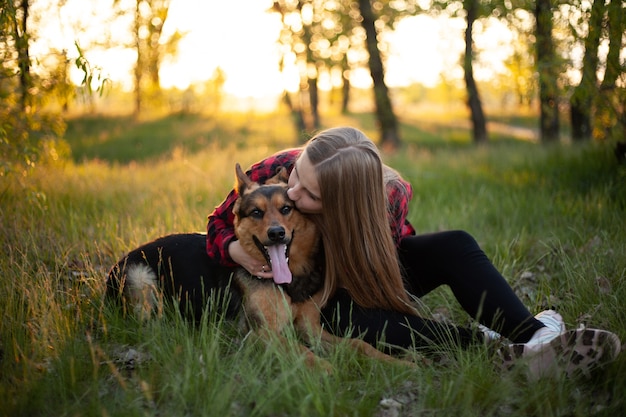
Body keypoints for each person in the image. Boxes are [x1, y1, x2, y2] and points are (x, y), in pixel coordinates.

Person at [206, 126, 620, 377]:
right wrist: (235, 251)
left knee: (453, 245)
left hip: (363, 271)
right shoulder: (277, 169)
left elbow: (378, 274)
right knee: (351, 318)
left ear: (342, 199)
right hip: (305, 283)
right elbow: (220, 220)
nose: (291, 192)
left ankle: (537, 337)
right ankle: (492, 349)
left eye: (308, 195)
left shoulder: (388, 195)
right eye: (296, 177)